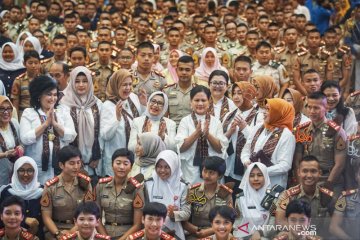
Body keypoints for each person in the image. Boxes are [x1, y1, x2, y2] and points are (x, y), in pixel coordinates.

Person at [20, 75, 76, 184]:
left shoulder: (63, 111)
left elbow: (72, 136)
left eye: (55, 95)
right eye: (49, 94)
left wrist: (55, 124)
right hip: (36, 169)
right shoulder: (29, 113)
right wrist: (45, 125)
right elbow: (25, 139)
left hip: (60, 169)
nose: (53, 98)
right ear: (39, 95)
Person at [294, 92, 347, 191]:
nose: (312, 111)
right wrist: (300, 184)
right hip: (306, 180)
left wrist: (327, 186)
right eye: (309, 107)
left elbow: (340, 164)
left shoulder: (337, 131)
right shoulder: (301, 130)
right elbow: (297, 160)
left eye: (316, 108)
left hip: (328, 180)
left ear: (326, 108)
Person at [176, 86, 228, 184]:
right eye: (197, 100)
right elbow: (181, 148)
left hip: (212, 171)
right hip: (190, 171)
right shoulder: (185, 121)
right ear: (190, 102)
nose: (200, 103)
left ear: (209, 102)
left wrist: (208, 135)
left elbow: (220, 149)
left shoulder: (216, 122)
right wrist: (196, 134)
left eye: (203, 100)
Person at [61, 66, 103, 184]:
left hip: (93, 162)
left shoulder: (97, 103)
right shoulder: (64, 104)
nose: (81, 85)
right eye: (77, 81)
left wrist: (96, 156)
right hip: (71, 162)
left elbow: (100, 133)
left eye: (85, 81)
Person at [41, 146, 93, 240]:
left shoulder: (85, 183)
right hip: (56, 230)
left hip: (81, 229)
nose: (76, 167)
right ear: (61, 165)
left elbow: (88, 213)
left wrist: (71, 232)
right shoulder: (50, 186)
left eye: (78, 162)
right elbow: (46, 216)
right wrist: (58, 234)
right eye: (72, 163)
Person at [100, 69, 146, 177]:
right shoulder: (107, 105)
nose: (128, 88)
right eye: (124, 85)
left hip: (134, 159)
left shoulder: (133, 98)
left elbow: (142, 123)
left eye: (130, 84)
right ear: (116, 85)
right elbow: (105, 135)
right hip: (117, 160)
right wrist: (117, 118)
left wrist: (143, 105)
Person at [241, 98, 296, 188]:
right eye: (265, 108)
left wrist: (261, 171)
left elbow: (285, 165)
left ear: (278, 113)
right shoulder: (258, 127)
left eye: (268, 109)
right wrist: (246, 161)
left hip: (272, 184)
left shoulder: (287, 135)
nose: (264, 112)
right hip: (251, 181)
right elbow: (246, 149)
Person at [275, 155, 334, 238]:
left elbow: (336, 224)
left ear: (319, 173)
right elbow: (280, 221)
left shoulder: (328, 196)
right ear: (299, 172)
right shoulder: (288, 195)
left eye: (313, 171)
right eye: (305, 171)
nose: (309, 175)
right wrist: (303, 234)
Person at [95, 148, 144, 239]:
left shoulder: (137, 188)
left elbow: (137, 224)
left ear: (131, 167)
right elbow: (96, 218)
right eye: (118, 163)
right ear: (112, 165)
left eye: (126, 164)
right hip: (105, 234)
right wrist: (105, 238)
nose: (121, 167)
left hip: (127, 236)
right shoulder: (101, 185)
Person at [182, 156, 233, 239]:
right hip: (195, 234)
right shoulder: (193, 191)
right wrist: (196, 230)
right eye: (204, 171)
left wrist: (207, 232)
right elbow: (184, 217)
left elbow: (229, 220)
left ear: (220, 176)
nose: (206, 175)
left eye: (211, 173)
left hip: (218, 233)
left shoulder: (225, 193)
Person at [144, 150, 190, 239]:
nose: (162, 170)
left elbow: (187, 213)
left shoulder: (184, 186)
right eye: (159, 166)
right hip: (151, 230)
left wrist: (174, 214)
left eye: (167, 167)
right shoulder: (148, 184)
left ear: (174, 167)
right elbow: (144, 209)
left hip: (174, 231)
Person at [223, 82, 257, 196]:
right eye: (234, 93)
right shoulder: (229, 115)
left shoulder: (259, 115)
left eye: (240, 93)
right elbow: (221, 139)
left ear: (248, 94)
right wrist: (230, 131)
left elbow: (259, 142)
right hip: (228, 166)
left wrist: (244, 127)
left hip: (245, 169)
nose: (236, 97)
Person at [0, 157, 44, 238]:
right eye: (21, 170)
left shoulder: (43, 191)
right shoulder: (7, 192)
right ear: (16, 172)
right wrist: (25, 220)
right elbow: (2, 216)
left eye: (30, 170)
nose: (26, 174)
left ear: (35, 172)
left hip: (37, 235)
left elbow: (47, 216)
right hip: (11, 235)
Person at [233, 162, 275, 239]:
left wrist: (260, 233)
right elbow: (238, 222)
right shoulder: (240, 198)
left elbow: (274, 223)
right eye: (251, 176)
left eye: (259, 175)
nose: (255, 179)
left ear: (265, 176)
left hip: (265, 237)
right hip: (244, 236)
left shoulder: (273, 198)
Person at [163, 55, 197, 126]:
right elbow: (164, 117)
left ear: (193, 71)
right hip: (173, 131)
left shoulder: (199, 91)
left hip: (193, 130)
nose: (184, 72)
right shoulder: (167, 91)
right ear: (176, 70)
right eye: (181, 69)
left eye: (187, 70)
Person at [11, 50, 41, 117]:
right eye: (30, 63)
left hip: (38, 113)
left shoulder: (43, 80)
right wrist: (16, 119)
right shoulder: (18, 80)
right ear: (24, 64)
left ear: (40, 63)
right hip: (23, 113)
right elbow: (15, 103)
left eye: (36, 63)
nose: (33, 66)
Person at [0, 96, 22, 185]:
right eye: (1, 109)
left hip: (13, 170)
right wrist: (6, 154)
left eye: (9, 108)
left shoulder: (14, 123)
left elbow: (22, 143)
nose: (6, 112)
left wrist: (20, 148)